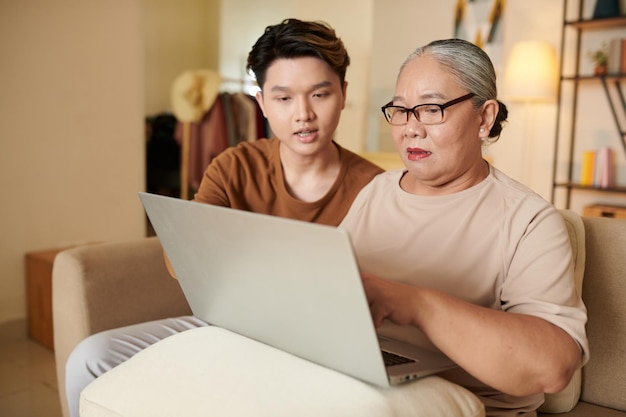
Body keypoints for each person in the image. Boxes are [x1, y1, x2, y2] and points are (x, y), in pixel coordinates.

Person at [64, 18, 383, 417]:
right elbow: (181, 257)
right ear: (263, 102)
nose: (303, 114)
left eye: (319, 94)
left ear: (342, 94)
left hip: (320, 346)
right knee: (91, 357)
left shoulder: (378, 189)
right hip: (231, 327)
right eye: (283, 99)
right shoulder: (235, 165)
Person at [338, 38, 588, 417]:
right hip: (361, 382)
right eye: (401, 111)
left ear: (484, 118)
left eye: (431, 109)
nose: (410, 129)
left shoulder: (529, 220)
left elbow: (552, 367)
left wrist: (417, 304)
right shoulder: (377, 190)